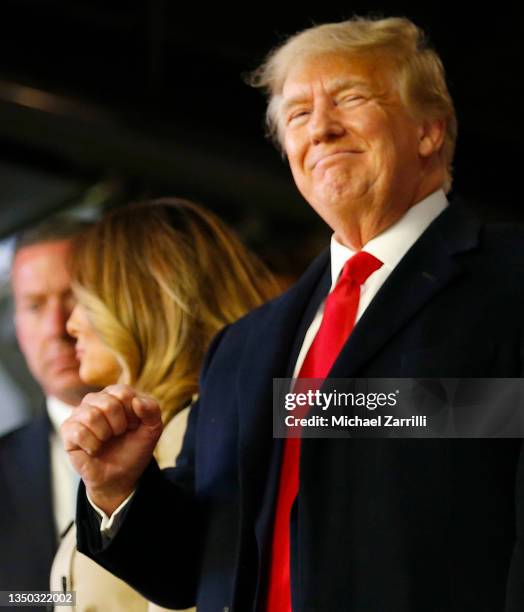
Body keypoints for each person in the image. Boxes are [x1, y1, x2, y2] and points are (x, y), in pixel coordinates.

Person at [62, 17, 524, 612]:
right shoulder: (243, 348)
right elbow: (196, 569)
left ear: (430, 130)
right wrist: (120, 487)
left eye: (351, 99)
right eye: (298, 115)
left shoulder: (510, 279)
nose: (322, 129)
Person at [52, 197, 279, 611]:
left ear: (137, 299)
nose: (69, 325)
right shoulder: (148, 434)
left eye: (81, 299)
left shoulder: (204, 433)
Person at [0, 218, 94, 597]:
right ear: (16, 326)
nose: (56, 327)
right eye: (35, 306)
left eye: (73, 297)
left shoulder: (191, 431)